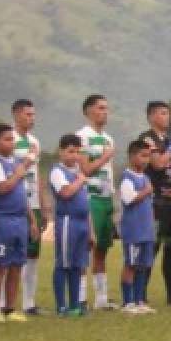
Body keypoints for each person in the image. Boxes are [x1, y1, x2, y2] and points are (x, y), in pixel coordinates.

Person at [0, 124, 38, 324]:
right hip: (2, 220)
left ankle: (10, 308)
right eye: (7, 139)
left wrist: (31, 220)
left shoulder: (15, 163)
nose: (11, 143)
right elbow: (2, 188)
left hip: (19, 220)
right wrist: (21, 169)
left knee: (17, 265)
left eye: (12, 139)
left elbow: (22, 195)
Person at [139, 101, 171, 305]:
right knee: (153, 247)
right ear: (151, 117)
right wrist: (169, 149)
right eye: (162, 113)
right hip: (157, 202)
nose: (167, 117)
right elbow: (157, 164)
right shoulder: (147, 139)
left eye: (168, 113)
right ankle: (141, 293)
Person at [76, 94, 118, 310]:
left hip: (105, 198)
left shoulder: (109, 138)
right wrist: (105, 157)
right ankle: (81, 297)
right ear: (88, 111)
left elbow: (108, 172)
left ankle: (101, 299)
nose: (105, 112)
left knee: (102, 248)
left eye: (107, 108)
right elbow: (85, 169)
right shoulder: (81, 137)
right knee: (85, 247)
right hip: (89, 197)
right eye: (101, 108)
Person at [48, 134, 93, 316]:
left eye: (77, 152)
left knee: (77, 264)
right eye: (70, 151)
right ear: (61, 152)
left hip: (82, 222)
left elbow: (86, 203)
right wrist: (80, 180)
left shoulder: (77, 173)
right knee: (63, 264)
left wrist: (91, 231)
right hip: (68, 221)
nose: (74, 156)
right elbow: (65, 193)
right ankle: (61, 306)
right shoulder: (57, 172)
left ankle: (75, 305)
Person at [12, 99, 48, 315]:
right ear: (16, 115)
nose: (31, 119)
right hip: (16, 202)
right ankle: (5, 303)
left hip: (33, 202)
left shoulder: (34, 141)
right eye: (27, 115)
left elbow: (37, 175)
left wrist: (43, 205)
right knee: (13, 254)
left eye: (33, 115)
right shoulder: (10, 139)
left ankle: (29, 302)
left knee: (33, 254)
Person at [118, 140, 156, 314]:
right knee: (131, 264)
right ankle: (127, 302)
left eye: (148, 156)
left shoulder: (146, 178)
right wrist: (146, 191)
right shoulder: (127, 177)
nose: (146, 160)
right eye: (142, 156)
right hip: (133, 230)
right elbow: (129, 199)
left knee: (143, 266)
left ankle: (140, 300)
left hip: (146, 230)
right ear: (132, 156)